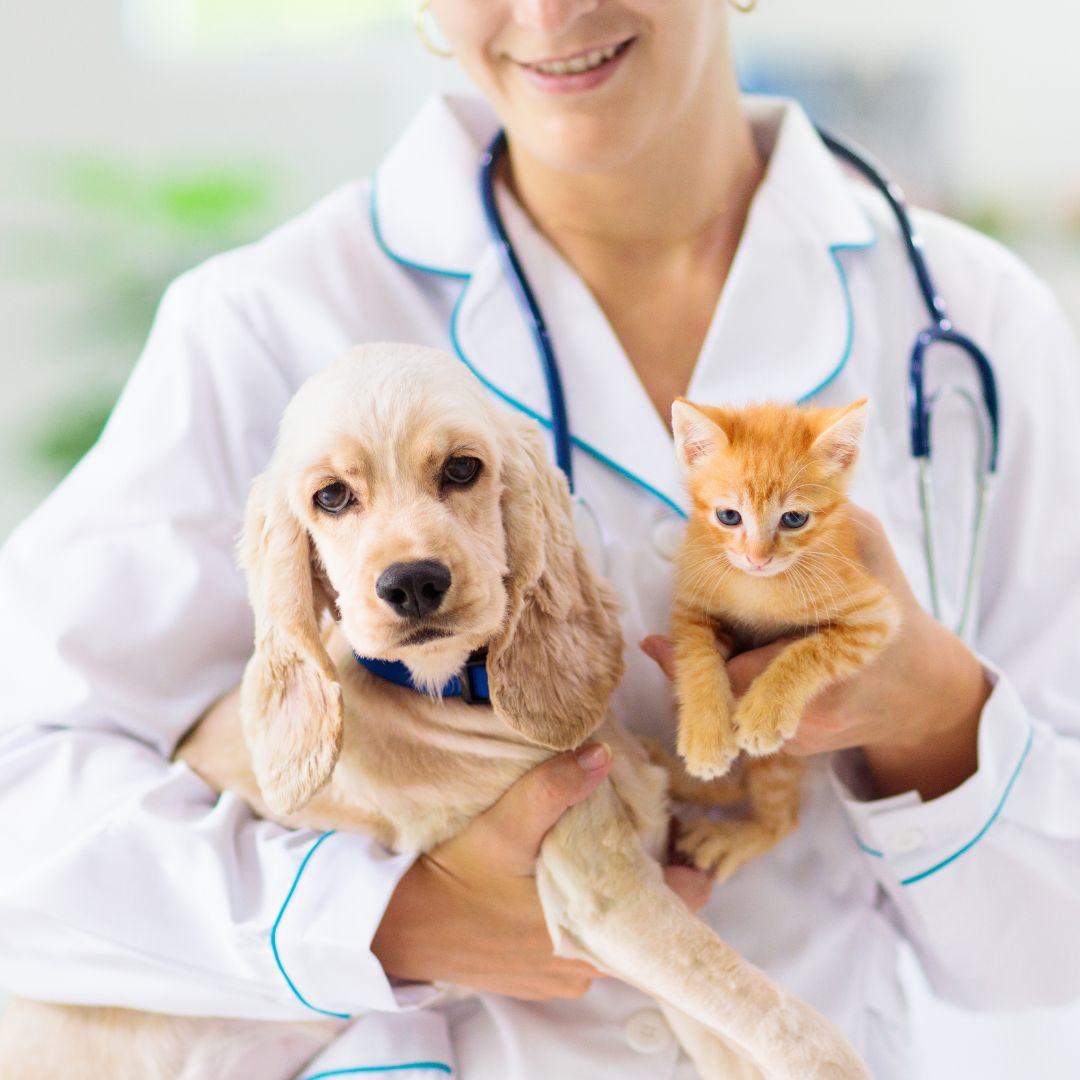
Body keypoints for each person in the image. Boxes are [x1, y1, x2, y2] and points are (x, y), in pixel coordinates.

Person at [1, 1, 1079, 1076]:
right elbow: (27, 800)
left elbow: (1046, 957)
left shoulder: (976, 321)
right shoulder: (264, 320)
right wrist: (384, 919)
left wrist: (939, 712)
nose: (552, 11)